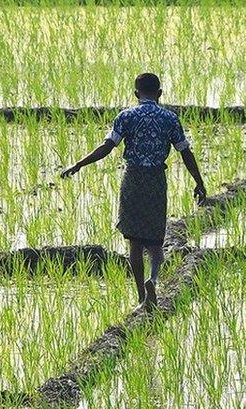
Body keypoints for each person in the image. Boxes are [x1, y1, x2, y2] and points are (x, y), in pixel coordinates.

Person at [61, 73, 207, 312]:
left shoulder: (126, 116)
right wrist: (199, 182)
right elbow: (185, 152)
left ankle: (142, 296)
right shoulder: (170, 119)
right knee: (156, 241)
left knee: (135, 243)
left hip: (133, 180)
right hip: (156, 180)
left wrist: (78, 164)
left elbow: (107, 147)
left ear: (136, 94)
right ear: (160, 94)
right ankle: (154, 279)